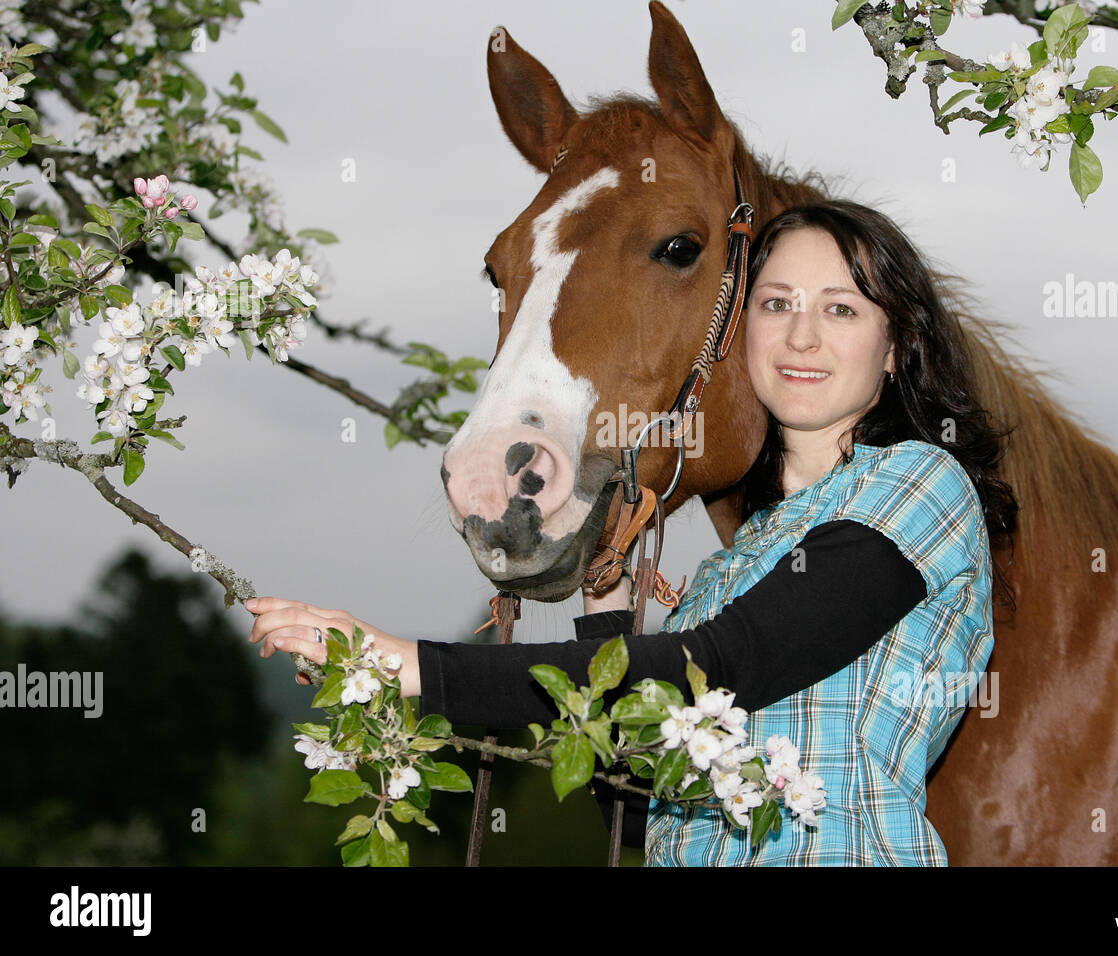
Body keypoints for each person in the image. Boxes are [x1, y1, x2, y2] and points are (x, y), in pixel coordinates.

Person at [247, 199, 1019, 866]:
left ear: (894, 348)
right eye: (776, 303)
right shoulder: (729, 571)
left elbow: (728, 662)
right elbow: (634, 811)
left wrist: (404, 663)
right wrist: (608, 603)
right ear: (740, 330)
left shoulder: (918, 484)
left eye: (841, 308)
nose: (802, 336)